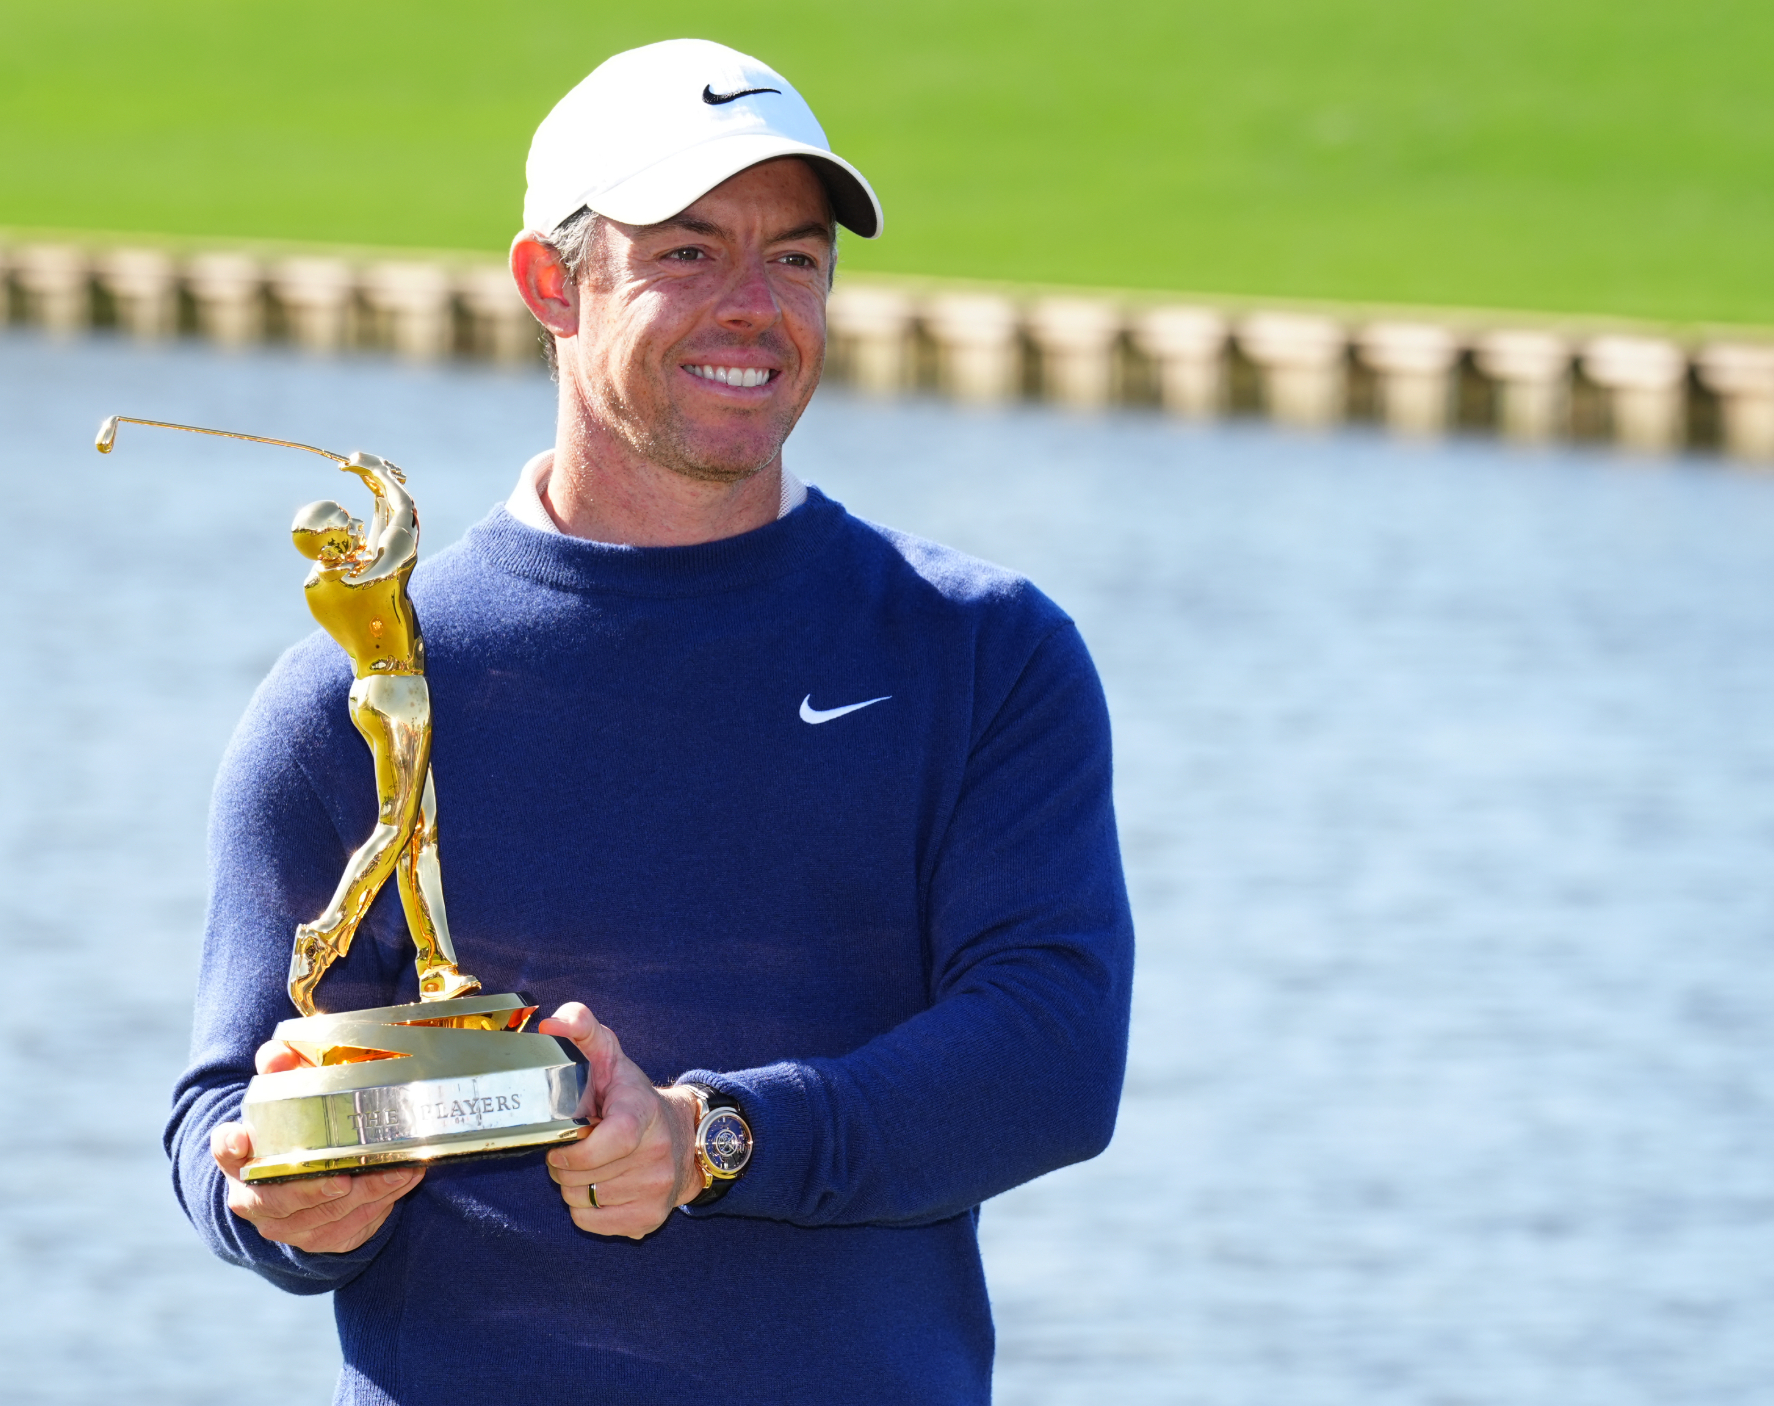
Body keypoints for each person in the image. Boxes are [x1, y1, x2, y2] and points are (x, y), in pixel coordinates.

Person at [166, 37, 1135, 1403]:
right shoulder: (358, 687)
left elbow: (1052, 1051)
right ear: (549, 284)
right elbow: (218, 1115)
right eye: (687, 252)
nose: (755, 306)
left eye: (795, 257)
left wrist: (708, 1137)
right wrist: (285, 1204)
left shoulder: (980, 650)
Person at [283, 452, 480, 1012]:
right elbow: (404, 531)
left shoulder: (321, 584)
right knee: (397, 832)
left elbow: (379, 538)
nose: (353, 527)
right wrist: (382, 480)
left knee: (421, 837)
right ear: (333, 546)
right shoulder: (365, 576)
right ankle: (323, 937)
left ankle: (437, 968)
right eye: (344, 525)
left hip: (373, 694)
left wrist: (371, 491)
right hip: (399, 699)